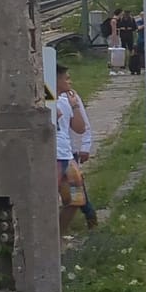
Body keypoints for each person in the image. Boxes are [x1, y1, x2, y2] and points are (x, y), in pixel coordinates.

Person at [53, 67, 88, 237]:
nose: (70, 81)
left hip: (66, 154)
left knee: (76, 198)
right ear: (57, 80)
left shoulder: (68, 99)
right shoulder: (44, 94)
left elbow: (80, 128)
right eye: (66, 78)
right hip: (52, 156)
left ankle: (60, 233)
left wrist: (75, 106)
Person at [68, 76, 98, 229]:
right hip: (50, 152)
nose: (69, 81)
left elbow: (84, 124)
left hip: (69, 152)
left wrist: (85, 147)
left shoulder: (71, 96)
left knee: (76, 189)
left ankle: (89, 213)